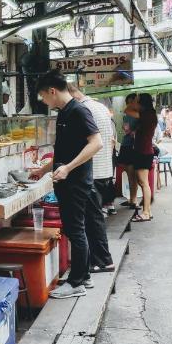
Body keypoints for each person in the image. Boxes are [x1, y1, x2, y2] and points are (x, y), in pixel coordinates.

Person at [29, 71, 104, 298]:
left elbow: (97, 143)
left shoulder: (79, 111)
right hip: (68, 179)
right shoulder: (64, 113)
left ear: (52, 91)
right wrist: (44, 169)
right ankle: (85, 276)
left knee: (75, 230)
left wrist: (69, 167)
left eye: (43, 96)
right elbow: (65, 150)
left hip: (76, 181)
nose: (43, 101)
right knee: (76, 229)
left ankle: (76, 283)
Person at [67, 84, 115, 271]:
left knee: (93, 220)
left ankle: (103, 261)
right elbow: (110, 140)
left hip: (92, 173)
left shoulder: (82, 109)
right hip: (104, 171)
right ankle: (98, 259)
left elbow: (87, 144)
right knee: (95, 219)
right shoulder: (100, 107)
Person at [132, 92, 158, 222]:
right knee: (143, 183)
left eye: (138, 101)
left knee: (144, 183)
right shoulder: (149, 114)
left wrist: (135, 102)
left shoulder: (146, 115)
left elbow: (128, 109)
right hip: (144, 151)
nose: (135, 103)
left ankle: (146, 212)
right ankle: (148, 211)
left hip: (143, 152)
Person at [118, 93, 139, 208]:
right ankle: (132, 199)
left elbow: (126, 129)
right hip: (129, 146)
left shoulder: (131, 115)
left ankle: (133, 200)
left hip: (129, 146)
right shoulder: (132, 114)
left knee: (131, 175)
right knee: (131, 175)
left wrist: (130, 131)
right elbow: (126, 129)